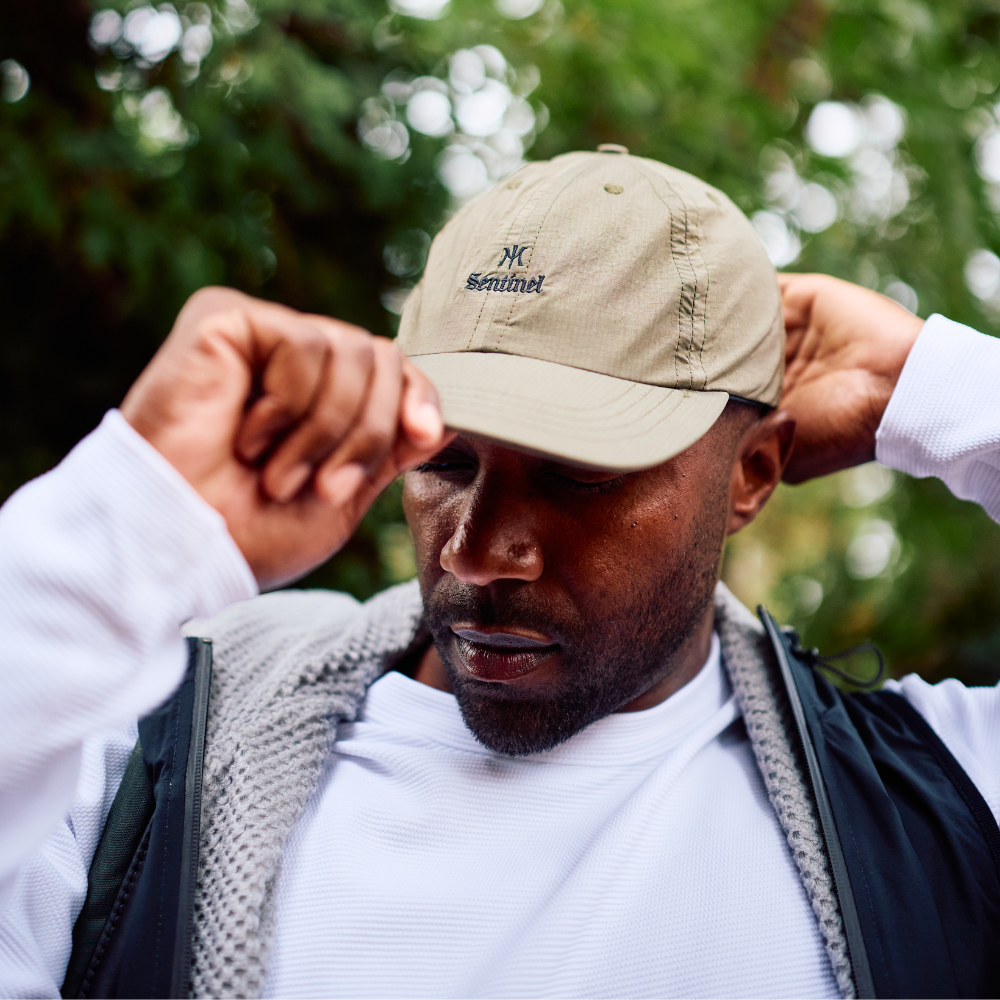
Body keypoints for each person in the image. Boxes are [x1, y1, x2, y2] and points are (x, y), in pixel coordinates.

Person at [0, 148, 997, 1000]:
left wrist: (918, 384)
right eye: (442, 459)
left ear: (753, 473)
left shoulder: (941, 792)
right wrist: (131, 520)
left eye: (580, 474)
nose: (473, 552)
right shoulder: (140, 738)